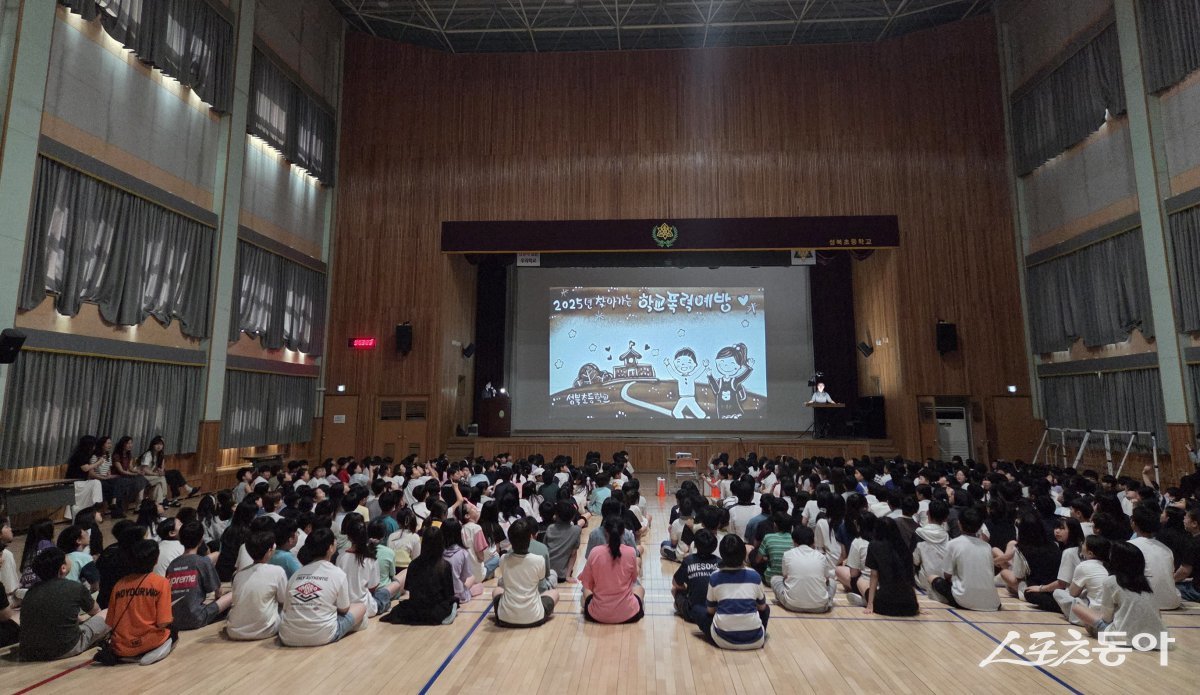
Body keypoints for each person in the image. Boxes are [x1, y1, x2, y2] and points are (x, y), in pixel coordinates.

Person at [1073, 541, 1169, 650]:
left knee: (1077, 608)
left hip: (1124, 638)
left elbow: (1106, 618)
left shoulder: (1110, 581)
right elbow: (1158, 614)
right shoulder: (1147, 583)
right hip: (1158, 640)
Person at [18, 547, 110, 661]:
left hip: (29, 651)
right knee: (108, 613)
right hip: (64, 648)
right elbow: (96, 611)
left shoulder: (31, 591)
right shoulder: (74, 587)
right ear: (63, 568)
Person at [280, 528, 366, 646]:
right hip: (322, 635)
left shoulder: (297, 574)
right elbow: (344, 608)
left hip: (287, 636)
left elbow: (286, 607)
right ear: (330, 548)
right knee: (360, 607)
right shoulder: (337, 573)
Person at [106, 539, 176, 665]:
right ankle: (152, 654)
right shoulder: (161, 583)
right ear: (156, 560)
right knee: (174, 630)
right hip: (149, 643)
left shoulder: (119, 584)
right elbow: (163, 622)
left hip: (122, 648)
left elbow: (110, 622)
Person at [699, 534, 769, 650]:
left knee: (698, 610)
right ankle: (753, 631)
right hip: (756, 640)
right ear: (743, 553)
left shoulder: (715, 576)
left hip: (722, 641)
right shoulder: (754, 575)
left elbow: (710, 610)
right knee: (766, 608)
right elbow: (762, 608)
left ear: (721, 554)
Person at [383, 527, 459, 625]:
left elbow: (409, 589)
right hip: (434, 610)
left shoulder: (413, 564)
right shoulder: (444, 566)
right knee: (454, 601)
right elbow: (449, 593)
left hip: (416, 609)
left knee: (401, 609)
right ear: (441, 543)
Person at [493, 518, 560, 628]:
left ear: (510, 540)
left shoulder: (503, 558)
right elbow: (541, 581)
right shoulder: (538, 560)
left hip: (504, 618)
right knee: (554, 593)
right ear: (530, 538)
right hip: (534, 617)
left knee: (496, 590)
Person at [931, 506, 1000, 611]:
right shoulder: (987, 546)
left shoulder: (953, 544)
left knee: (933, 578)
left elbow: (947, 575)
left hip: (964, 600)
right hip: (993, 602)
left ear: (959, 523)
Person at [166, 522, 231, 631]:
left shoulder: (172, 564)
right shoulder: (202, 562)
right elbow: (218, 592)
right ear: (201, 540)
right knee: (232, 594)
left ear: (181, 540)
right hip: (197, 618)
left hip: (173, 621)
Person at [337, 514, 402, 622]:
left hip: (346, 606)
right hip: (367, 607)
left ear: (348, 536)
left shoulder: (340, 557)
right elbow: (373, 587)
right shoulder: (371, 559)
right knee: (393, 586)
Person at [579, 517, 643, 624]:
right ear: (623, 532)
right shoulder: (631, 552)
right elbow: (633, 579)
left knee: (584, 593)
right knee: (640, 589)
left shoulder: (595, 552)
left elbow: (587, 583)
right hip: (628, 614)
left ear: (605, 533)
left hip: (597, 615)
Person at [227, 531, 288, 640]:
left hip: (234, 630)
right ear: (269, 551)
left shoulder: (238, 575)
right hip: (265, 630)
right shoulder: (277, 571)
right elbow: (284, 601)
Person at [771, 525, 836, 613]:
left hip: (792, 605)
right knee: (832, 582)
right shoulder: (821, 557)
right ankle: (828, 602)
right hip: (820, 607)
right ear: (813, 541)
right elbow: (827, 578)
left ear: (794, 541)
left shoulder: (787, 554)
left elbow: (785, 576)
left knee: (775, 579)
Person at [1129, 504, 1181, 610]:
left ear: (1134, 524)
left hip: (1145, 601)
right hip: (1172, 601)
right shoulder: (1166, 549)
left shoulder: (1129, 546)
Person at [864, 517, 919, 617]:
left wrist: (870, 604)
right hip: (909, 607)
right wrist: (916, 604)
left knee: (861, 584)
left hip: (885, 606)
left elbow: (874, 575)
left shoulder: (874, 545)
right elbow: (910, 577)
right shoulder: (903, 546)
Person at [671, 529, 720, 623]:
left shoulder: (689, 560)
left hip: (693, 613)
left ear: (695, 545)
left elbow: (675, 583)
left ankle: (681, 608)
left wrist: (686, 588)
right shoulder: (720, 562)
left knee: (675, 590)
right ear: (714, 546)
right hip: (715, 613)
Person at [707, 343, 754, 419]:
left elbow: (742, 377)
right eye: (722, 363)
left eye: (732, 363)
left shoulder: (734, 381)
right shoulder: (720, 381)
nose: (726, 366)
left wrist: (749, 368)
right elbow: (716, 389)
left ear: (738, 367)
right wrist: (710, 376)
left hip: (734, 410)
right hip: (722, 412)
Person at [913, 499, 950, 591]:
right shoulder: (948, 537)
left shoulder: (918, 533)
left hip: (922, 582)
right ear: (946, 518)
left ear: (927, 513)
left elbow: (914, 561)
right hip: (943, 583)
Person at [543, 500, 582, 583]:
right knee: (574, 552)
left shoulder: (550, 528)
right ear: (572, 517)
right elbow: (573, 554)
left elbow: (544, 549)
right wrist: (567, 576)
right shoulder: (576, 530)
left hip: (547, 573)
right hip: (562, 575)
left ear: (556, 516)